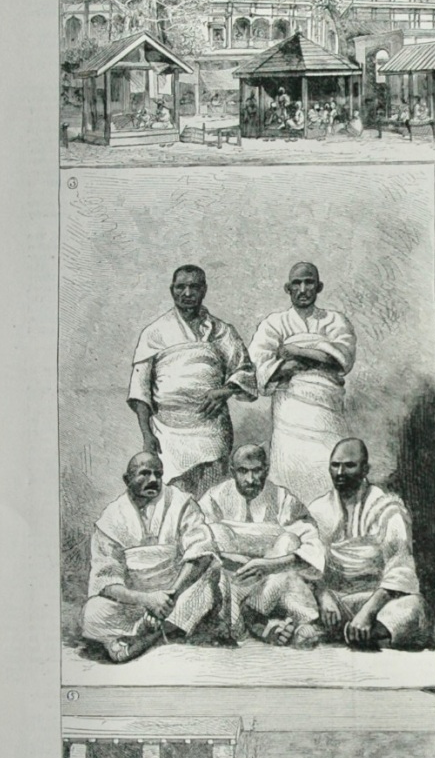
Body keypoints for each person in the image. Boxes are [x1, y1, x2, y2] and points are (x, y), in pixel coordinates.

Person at [128, 265, 257, 496]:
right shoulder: (154, 332)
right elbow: (140, 389)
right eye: (181, 287)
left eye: (194, 287)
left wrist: (224, 391)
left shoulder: (222, 331)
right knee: (174, 498)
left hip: (211, 429)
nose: (187, 293)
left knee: (213, 494)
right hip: (168, 433)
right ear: (172, 290)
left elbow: (244, 370)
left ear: (204, 290)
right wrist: (147, 435)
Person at [81, 452, 217, 662]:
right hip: (135, 603)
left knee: (209, 583)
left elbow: (201, 552)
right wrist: (148, 600)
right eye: (144, 474)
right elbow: (106, 582)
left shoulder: (181, 503)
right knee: (91, 613)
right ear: (127, 480)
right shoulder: (111, 519)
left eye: (158, 474)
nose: (153, 480)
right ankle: (153, 630)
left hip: (176, 596)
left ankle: (145, 636)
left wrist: (171, 595)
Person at [249, 262, 357, 506]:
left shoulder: (335, 321)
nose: (303, 288)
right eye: (297, 283)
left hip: (326, 410)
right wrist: (290, 365)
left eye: (309, 282)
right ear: (288, 288)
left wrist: (295, 350)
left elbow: (341, 359)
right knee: (289, 474)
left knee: (329, 470)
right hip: (290, 410)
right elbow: (258, 366)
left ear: (318, 287)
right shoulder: (274, 323)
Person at [309, 438, 428, 649]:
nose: (340, 473)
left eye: (349, 466)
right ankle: (349, 632)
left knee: (414, 608)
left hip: (376, 603)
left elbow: (399, 571)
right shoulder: (318, 509)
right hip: (334, 604)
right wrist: (323, 595)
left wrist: (367, 613)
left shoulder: (387, 509)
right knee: (287, 587)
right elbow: (309, 564)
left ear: (365, 469)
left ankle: (355, 632)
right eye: (335, 465)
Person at [200, 443, 325, 645]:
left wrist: (269, 565)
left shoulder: (283, 498)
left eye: (257, 471)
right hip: (233, 578)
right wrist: (230, 559)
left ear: (266, 469)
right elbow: (197, 540)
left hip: (272, 579)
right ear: (232, 472)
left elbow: (312, 546)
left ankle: (256, 615)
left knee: (289, 541)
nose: (251, 479)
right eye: (243, 471)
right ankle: (244, 623)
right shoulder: (213, 498)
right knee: (216, 536)